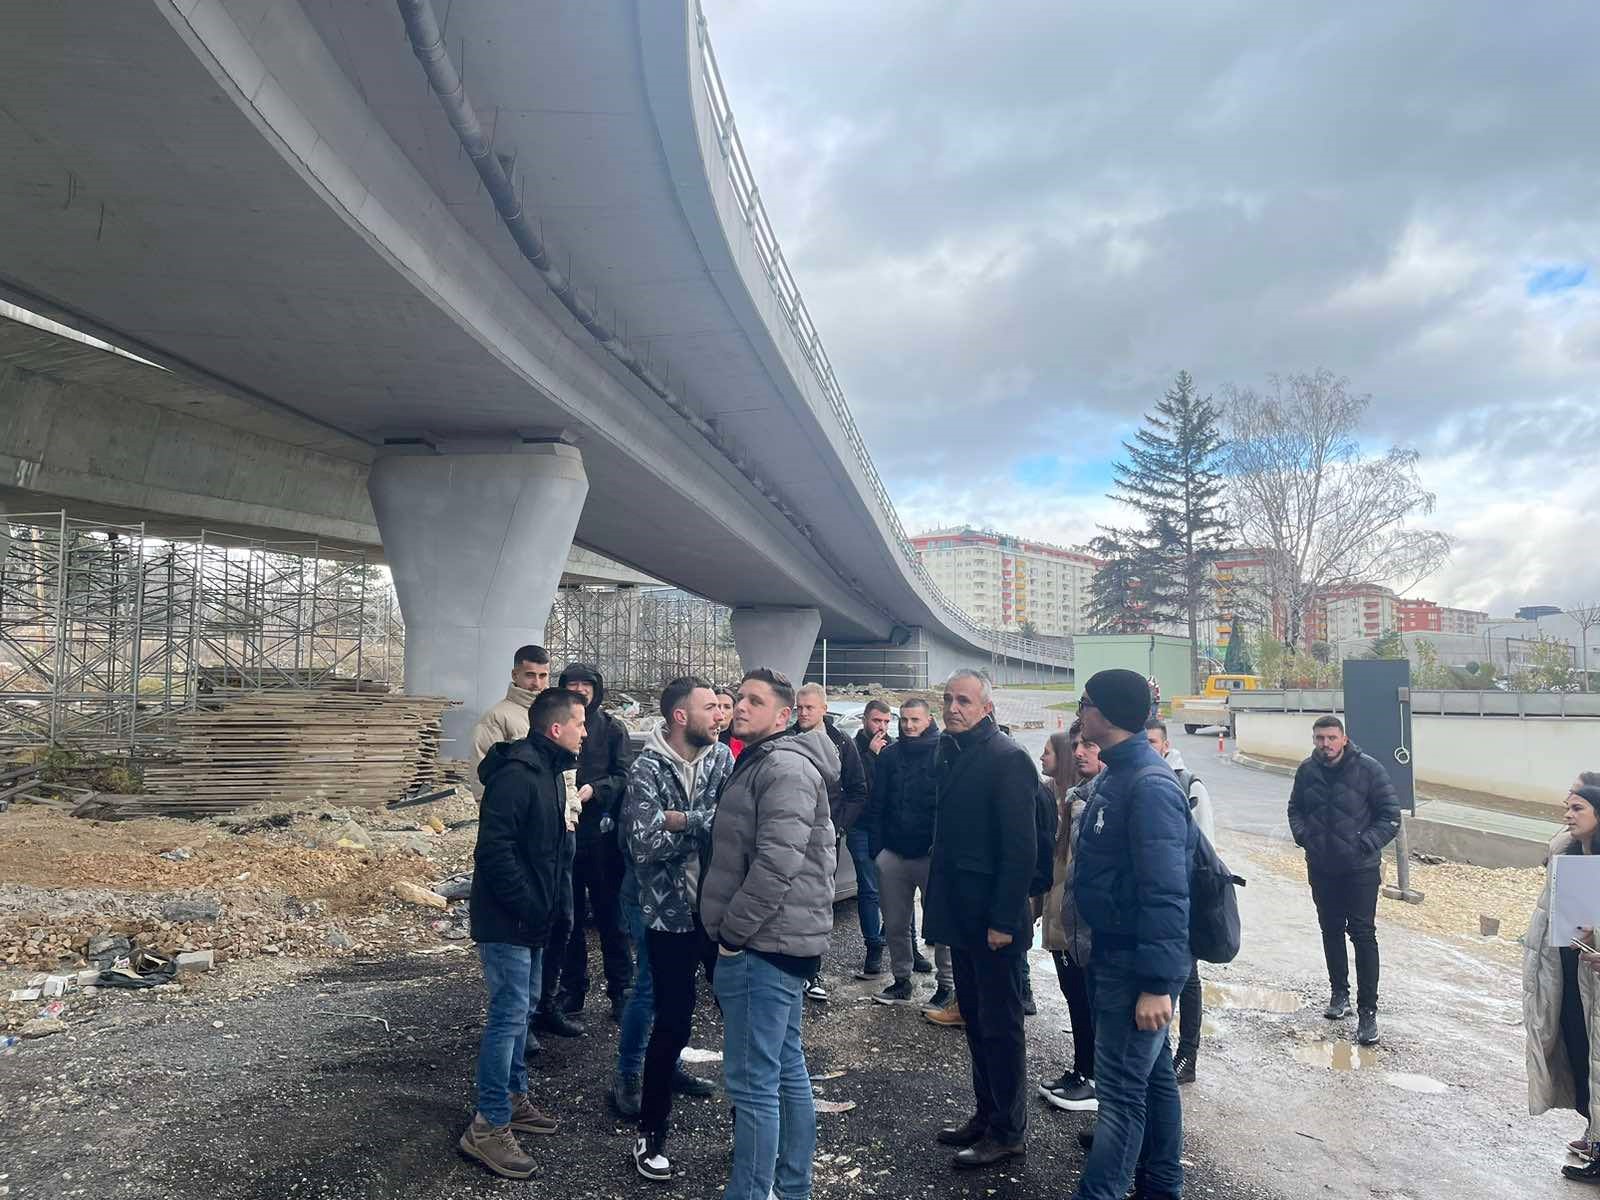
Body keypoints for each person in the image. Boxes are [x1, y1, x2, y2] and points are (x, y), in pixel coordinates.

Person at [701, 668, 838, 1200]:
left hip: (764, 946)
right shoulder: (762, 760)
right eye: (738, 698)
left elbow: (776, 866)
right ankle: (791, 1186)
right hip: (774, 942)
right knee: (784, 1069)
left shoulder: (782, 767)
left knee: (754, 1084)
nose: (740, 706)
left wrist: (732, 935)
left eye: (754, 701)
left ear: (784, 717)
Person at [1071, 669, 1194, 1200]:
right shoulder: (1120, 774)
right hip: (1119, 955)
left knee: (1120, 1096)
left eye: (1086, 702)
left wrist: (1158, 984)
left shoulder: (1147, 784)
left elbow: (1166, 893)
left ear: (1107, 713)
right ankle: (1162, 1188)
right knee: (1155, 1081)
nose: (1079, 711)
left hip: (1133, 966)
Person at [458, 687, 583, 1179]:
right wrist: (532, 907)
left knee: (523, 1009)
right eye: (579, 723)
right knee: (508, 1015)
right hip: (508, 920)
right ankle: (487, 1125)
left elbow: (549, 851)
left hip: (533, 921)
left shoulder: (552, 772)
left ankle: (512, 1098)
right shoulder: (518, 775)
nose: (585, 731)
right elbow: (494, 853)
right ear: (556, 729)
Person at [621, 677, 735, 1181]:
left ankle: (749, 1127)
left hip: (718, 915)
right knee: (671, 1023)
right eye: (710, 707)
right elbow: (642, 844)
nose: (720, 715)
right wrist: (700, 824)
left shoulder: (723, 760)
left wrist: (678, 820)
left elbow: (734, 826)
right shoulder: (646, 767)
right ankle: (650, 1134)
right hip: (668, 918)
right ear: (680, 717)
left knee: (741, 1020)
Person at [925, 668, 1038, 1170]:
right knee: (975, 1020)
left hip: (993, 921)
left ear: (987, 708)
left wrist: (1003, 920)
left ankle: (1008, 1130)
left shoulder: (1007, 759)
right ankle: (986, 1114)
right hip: (962, 915)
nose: (953, 707)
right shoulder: (953, 751)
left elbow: (1019, 849)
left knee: (1001, 1026)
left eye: (964, 700)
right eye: (948, 699)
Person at [1287, 714, 1401, 1047]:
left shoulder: (1369, 770)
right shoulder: (1306, 771)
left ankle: (1368, 1012)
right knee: (1330, 930)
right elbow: (1295, 808)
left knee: (1363, 935)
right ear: (1314, 740)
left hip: (1361, 869)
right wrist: (1305, 837)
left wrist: (1364, 844)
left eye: (1331, 738)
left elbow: (1390, 816)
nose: (1326, 744)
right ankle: (1339, 995)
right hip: (1322, 866)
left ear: (1344, 738)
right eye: (1320, 738)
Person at [536, 663, 634, 1034]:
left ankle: (621, 988)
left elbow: (624, 775)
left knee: (612, 917)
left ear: (597, 688)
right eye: (572, 684)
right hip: (565, 835)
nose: (580, 690)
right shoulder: (555, 726)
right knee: (568, 916)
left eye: (586, 684)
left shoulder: (611, 728)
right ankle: (572, 989)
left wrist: (596, 790)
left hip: (602, 837)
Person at [1526, 784, 1600, 1183]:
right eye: (1566, 808)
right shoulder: (1571, 855)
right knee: (1580, 1053)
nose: (1568, 815)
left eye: (1578, 808)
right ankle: (1595, 1132)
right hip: (1573, 974)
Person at [864, 698, 953, 1009]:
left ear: (928, 720)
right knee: (896, 923)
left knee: (941, 924)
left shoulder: (945, 754)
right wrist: (878, 851)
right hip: (894, 855)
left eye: (915, 719)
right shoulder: (889, 756)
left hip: (932, 856)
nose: (908, 725)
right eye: (904, 719)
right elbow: (877, 804)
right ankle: (901, 980)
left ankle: (946, 986)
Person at [792, 683, 872, 997]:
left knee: (818, 904)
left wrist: (837, 826)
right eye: (799, 707)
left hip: (825, 838)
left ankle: (812, 972)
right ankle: (788, 967)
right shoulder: (788, 739)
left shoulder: (842, 744)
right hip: (791, 834)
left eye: (809, 707)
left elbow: (857, 790)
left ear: (824, 709)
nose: (803, 713)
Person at [1146, 718, 1214, 1083]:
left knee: (1188, 977)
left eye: (1154, 741)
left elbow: (1207, 850)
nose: (1150, 747)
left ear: (1166, 744)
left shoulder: (1190, 785)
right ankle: (1165, 1051)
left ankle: (1188, 1053)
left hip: (1185, 895)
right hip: (1161, 896)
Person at [1039, 726, 1100, 1117]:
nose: (1080, 752)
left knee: (1085, 1001)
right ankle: (1081, 1069)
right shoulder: (1067, 800)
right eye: (1075, 745)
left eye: (1088, 745)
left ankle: (1093, 1077)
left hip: (1080, 926)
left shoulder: (1091, 804)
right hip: (1062, 922)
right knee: (1075, 1001)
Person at [471, 645, 551, 766]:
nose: (537, 683)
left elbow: (565, 765)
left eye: (542, 676)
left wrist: (569, 786)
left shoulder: (557, 713)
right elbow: (482, 773)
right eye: (530, 675)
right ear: (514, 675)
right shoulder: (496, 718)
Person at [715, 685, 744, 759]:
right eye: (717, 706)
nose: (721, 710)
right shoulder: (699, 740)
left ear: (734, 712)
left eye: (727, 707)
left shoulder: (744, 744)